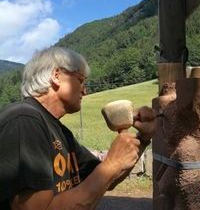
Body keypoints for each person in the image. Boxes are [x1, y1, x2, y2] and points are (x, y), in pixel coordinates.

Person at [0, 47, 156, 210]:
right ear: (56, 76)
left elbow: (106, 180)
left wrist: (142, 139)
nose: (85, 91)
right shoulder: (24, 120)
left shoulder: (60, 132)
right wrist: (111, 164)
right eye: (80, 80)